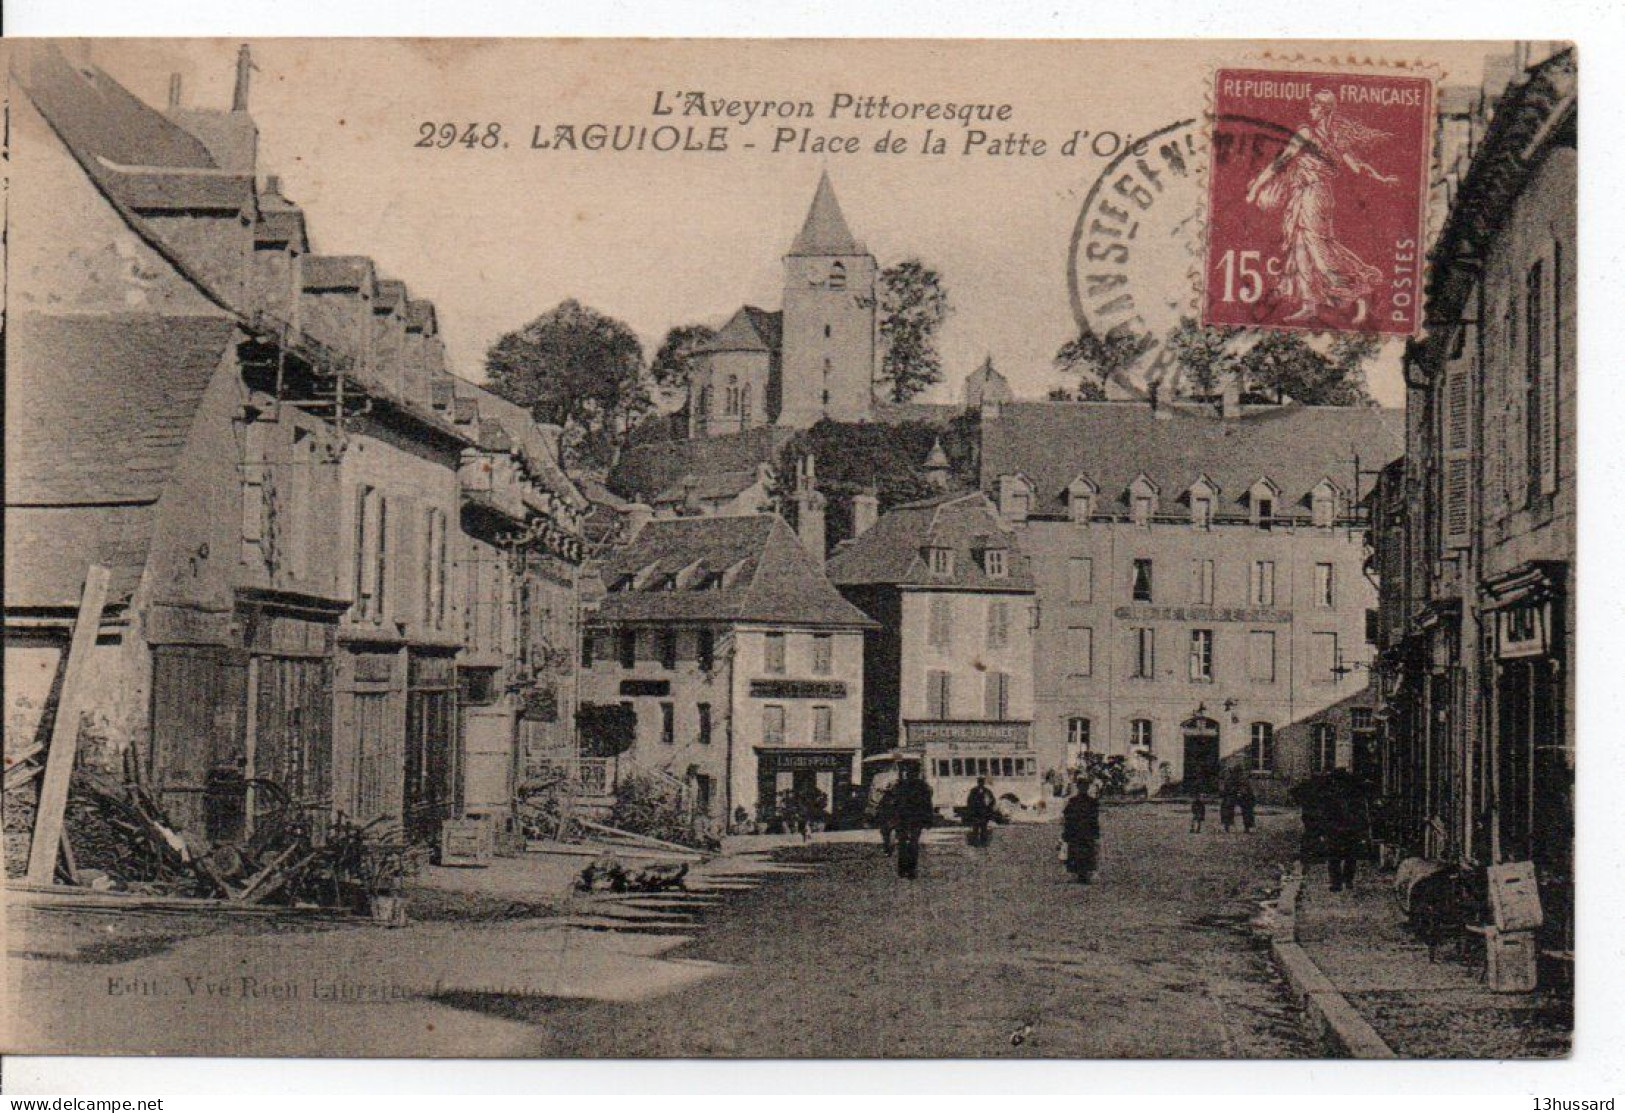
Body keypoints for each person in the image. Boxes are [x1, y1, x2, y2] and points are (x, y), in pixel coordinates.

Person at [1245, 88, 1399, 325]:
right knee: (1300, 247)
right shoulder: (1334, 136)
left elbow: (1281, 162)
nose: (1310, 109)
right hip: (1305, 194)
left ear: (1323, 109)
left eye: (1314, 106)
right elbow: (1358, 166)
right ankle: (1309, 304)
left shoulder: (1309, 133)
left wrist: (1256, 187)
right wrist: (1381, 178)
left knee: (1318, 248)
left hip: (1314, 194)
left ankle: (1359, 292)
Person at [892, 764, 935, 879]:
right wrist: (929, 819)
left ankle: (902, 869)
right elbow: (927, 804)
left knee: (902, 842)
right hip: (916, 818)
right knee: (913, 842)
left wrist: (893, 818)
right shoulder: (922, 786)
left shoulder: (900, 785)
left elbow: (894, 802)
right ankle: (911, 869)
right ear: (917, 773)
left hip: (902, 818)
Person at [1061, 778, 1102, 883]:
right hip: (1082, 831)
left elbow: (1068, 817)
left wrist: (1066, 832)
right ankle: (1082, 874)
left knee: (1081, 852)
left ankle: (1081, 874)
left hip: (1079, 831)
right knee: (1083, 852)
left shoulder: (1075, 801)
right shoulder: (1090, 802)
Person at [964, 777, 997, 848]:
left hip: (984, 813)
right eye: (980, 782)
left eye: (982, 782)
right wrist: (971, 810)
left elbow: (992, 800)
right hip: (976, 812)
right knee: (975, 828)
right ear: (978, 783)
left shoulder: (987, 791)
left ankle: (983, 842)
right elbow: (969, 801)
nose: (981, 784)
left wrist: (989, 809)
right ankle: (975, 842)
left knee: (983, 828)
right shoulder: (973, 791)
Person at [873, 779, 899, 855]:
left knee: (891, 833)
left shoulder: (899, 796)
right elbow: (880, 806)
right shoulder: (886, 797)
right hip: (886, 817)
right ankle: (887, 848)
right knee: (885, 834)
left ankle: (890, 848)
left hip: (894, 817)